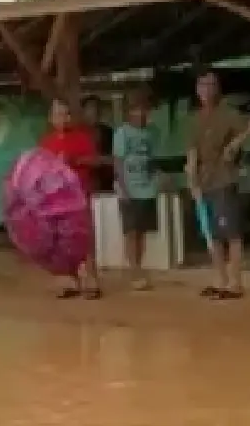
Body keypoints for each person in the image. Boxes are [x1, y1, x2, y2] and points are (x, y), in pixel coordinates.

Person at [189, 69, 250, 299]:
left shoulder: (228, 114)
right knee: (212, 234)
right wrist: (192, 181)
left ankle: (235, 282)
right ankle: (220, 279)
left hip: (224, 179)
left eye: (211, 85)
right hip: (204, 182)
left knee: (231, 232)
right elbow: (191, 152)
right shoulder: (196, 119)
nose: (206, 89)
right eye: (202, 85)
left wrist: (236, 143)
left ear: (217, 88)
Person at [38, 97, 102, 299]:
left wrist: (75, 160)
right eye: (58, 114)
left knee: (84, 239)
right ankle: (67, 281)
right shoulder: (45, 143)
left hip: (79, 196)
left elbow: (95, 160)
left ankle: (90, 279)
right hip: (56, 201)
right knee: (60, 241)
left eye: (66, 114)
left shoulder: (82, 138)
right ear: (51, 118)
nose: (63, 118)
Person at [112, 90, 160, 290]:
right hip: (129, 187)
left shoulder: (152, 132)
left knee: (142, 231)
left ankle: (139, 266)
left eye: (143, 109)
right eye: (135, 110)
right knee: (131, 231)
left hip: (147, 188)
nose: (140, 114)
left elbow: (153, 159)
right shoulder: (122, 133)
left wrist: (156, 179)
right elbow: (118, 161)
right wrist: (122, 187)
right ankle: (134, 271)